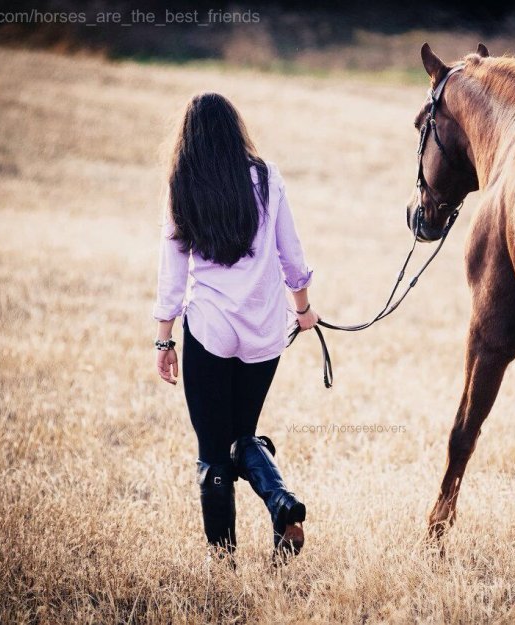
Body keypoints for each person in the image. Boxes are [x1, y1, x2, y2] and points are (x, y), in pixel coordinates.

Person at [152, 92, 318, 561]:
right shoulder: (266, 177)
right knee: (242, 436)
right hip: (264, 332)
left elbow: (172, 272)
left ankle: (223, 560)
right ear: (234, 130)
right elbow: (292, 255)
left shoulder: (183, 185)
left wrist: (164, 340)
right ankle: (281, 502)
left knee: (213, 451)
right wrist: (303, 310)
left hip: (211, 328)